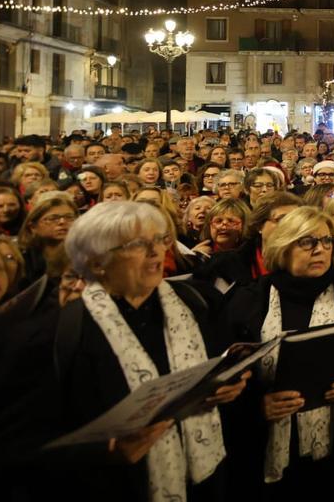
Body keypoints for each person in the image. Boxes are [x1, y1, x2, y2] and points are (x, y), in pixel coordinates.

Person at [53, 201, 249, 501]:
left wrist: (232, 384)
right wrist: (103, 452)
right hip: (120, 483)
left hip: (204, 472)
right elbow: (38, 435)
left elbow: (220, 363)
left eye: (160, 239)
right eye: (138, 244)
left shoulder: (196, 301)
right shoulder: (65, 328)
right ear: (96, 262)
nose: (156, 251)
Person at [225, 206, 334, 496]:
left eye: (327, 241)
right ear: (283, 246)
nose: (320, 249)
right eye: (307, 242)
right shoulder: (251, 299)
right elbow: (228, 373)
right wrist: (257, 404)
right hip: (268, 440)